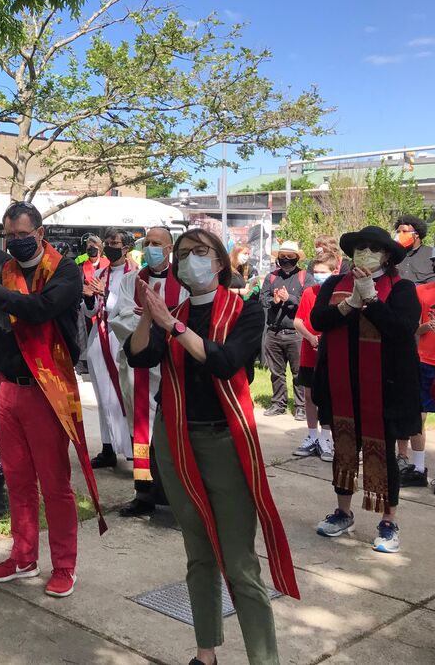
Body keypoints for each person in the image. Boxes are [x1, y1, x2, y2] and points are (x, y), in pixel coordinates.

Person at [126, 228, 298, 665]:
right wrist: (150, 313)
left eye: (199, 253)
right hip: (176, 439)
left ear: (220, 262)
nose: (189, 261)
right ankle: (206, 655)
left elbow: (224, 362)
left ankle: (264, 658)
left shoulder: (244, 310)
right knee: (198, 553)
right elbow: (139, 356)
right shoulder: (175, 310)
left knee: (239, 563)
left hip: (225, 442)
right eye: (182, 255)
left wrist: (172, 324)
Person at [0, 201, 105, 599]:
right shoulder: (4, 271)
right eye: (10, 236)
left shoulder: (64, 270)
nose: (17, 243)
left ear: (41, 233)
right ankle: (23, 556)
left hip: (48, 389)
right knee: (18, 479)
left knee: (55, 483)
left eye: (24, 235)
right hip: (9, 386)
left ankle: (64, 565)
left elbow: (42, 310)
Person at [312, 226, 421, 554]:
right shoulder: (334, 284)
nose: (366, 252)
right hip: (341, 384)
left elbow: (402, 330)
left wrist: (371, 299)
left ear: (387, 256)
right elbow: (319, 320)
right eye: (360, 247)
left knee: (383, 453)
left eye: (374, 248)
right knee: (344, 448)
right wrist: (349, 304)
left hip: (384, 389)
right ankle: (343, 512)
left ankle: (388, 520)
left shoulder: (401, 289)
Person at [108, 226, 187, 516]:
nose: (152, 247)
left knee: (171, 435)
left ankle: (178, 496)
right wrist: (155, 323)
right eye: (148, 242)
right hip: (139, 368)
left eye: (158, 243)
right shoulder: (132, 280)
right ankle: (144, 494)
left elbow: (186, 321)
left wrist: (160, 322)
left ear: (170, 249)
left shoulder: (184, 281)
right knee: (141, 434)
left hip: (171, 368)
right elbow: (121, 317)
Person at [82, 228, 135, 468]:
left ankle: (131, 446)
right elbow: (90, 311)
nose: (110, 246)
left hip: (121, 338)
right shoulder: (100, 272)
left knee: (122, 395)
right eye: (109, 242)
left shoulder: (134, 274)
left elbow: (130, 308)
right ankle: (107, 447)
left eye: (115, 243)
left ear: (126, 247)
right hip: (98, 336)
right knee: (102, 395)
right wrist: (90, 298)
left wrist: (106, 294)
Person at [399, 244, 435, 492]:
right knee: (418, 415)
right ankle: (417, 467)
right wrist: (426, 327)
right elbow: (412, 326)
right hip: (424, 359)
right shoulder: (422, 292)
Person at [290, 252, 339, 461]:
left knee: (327, 397)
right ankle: (312, 436)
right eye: (316, 272)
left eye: (323, 272)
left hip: (331, 355)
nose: (318, 276)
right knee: (309, 395)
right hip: (309, 353)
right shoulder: (310, 292)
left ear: (334, 271)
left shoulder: (339, 294)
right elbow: (298, 320)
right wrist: (311, 338)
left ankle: (326, 438)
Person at [261, 240, 308, 419]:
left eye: (290, 257)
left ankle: (301, 406)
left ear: (296, 258)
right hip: (274, 332)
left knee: (298, 372)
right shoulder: (271, 277)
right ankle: (278, 403)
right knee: (276, 372)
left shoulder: (305, 277)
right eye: (283, 257)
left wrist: (290, 298)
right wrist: (275, 301)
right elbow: (263, 300)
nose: (286, 259)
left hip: (295, 333)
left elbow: (307, 301)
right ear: (278, 258)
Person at [394, 215, 433, 284]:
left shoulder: (432, 255)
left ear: (416, 234)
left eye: (404, 231)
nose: (400, 235)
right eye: (398, 232)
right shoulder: (393, 255)